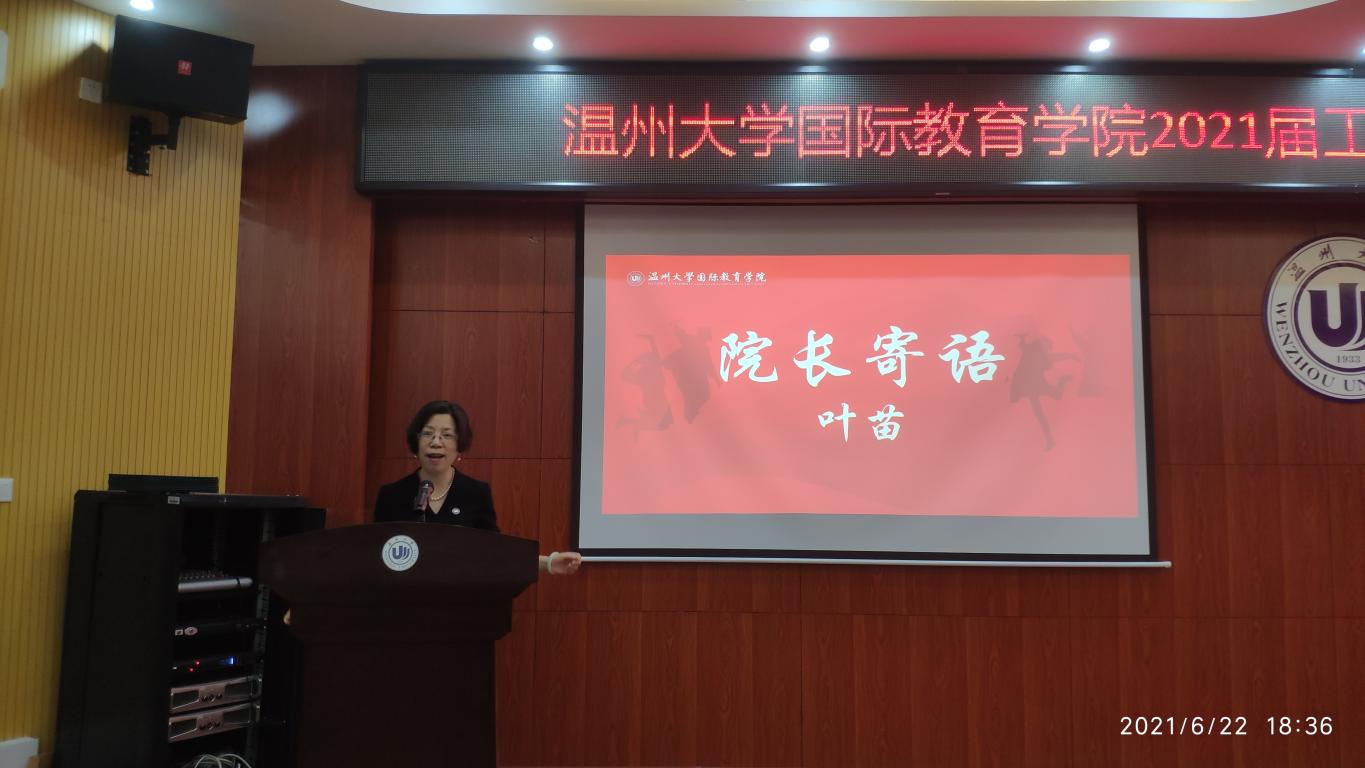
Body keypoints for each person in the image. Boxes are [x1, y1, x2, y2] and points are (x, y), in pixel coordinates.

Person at [375, 399, 582, 576]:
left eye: (447, 435)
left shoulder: (475, 493)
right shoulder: (392, 495)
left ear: (459, 446)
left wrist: (548, 563)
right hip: (403, 603)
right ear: (416, 441)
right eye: (428, 434)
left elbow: (494, 551)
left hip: (461, 603)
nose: (436, 442)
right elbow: (374, 555)